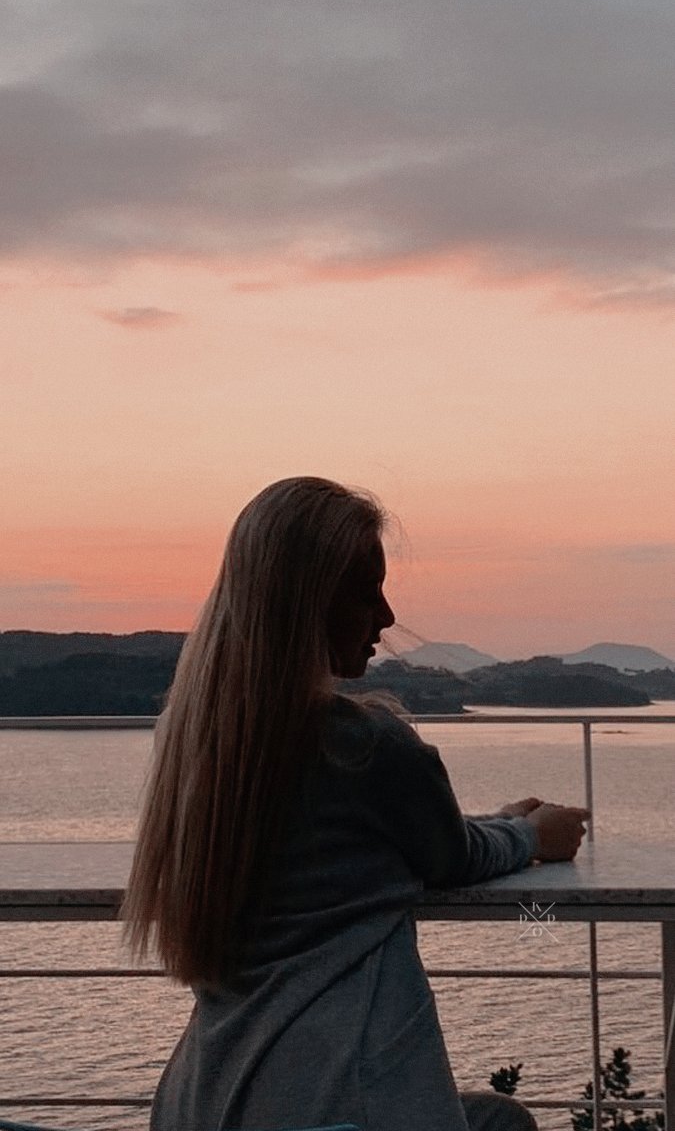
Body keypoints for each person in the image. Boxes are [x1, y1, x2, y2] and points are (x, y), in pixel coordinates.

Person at [123, 477, 588, 1131]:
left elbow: (372, 839)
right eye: (365, 591)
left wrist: (505, 820)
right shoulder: (362, 746)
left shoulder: (196, 742)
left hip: (203, 1101)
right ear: (307, 602)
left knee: (497, 1121)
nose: (386, 616)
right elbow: (451, 856)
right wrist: (532, 834)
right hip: (342, 1101)